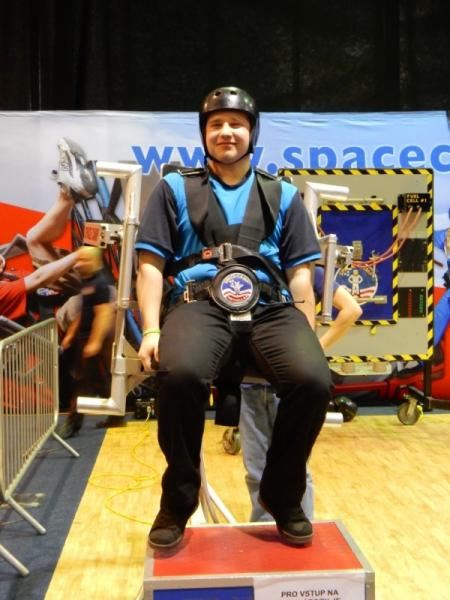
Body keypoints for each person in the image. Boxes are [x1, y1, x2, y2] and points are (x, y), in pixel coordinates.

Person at [135, 85, 332, 550]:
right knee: (179, 375)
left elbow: (300, 276)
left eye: (236, 124)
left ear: (252, 133)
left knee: (313, 380)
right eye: (216, 124)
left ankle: (282, 495)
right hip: (198, 301)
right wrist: (150, 329)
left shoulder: (283, 195)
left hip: (269, 304)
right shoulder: (173, 189)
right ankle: (177, 501)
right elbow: (150, 265)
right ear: (204, 134)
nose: (226, 132)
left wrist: (307, 331)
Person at [239, 265, 362, 522]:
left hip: (284, 384)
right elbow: (351, 309)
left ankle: (291, 526)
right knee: (267, 467)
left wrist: (315, 348)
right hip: (254, 382)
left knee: (285, 467)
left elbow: (352, 309)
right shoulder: (251, 268)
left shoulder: (305, 271)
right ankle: (272, 529)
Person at [56, 246, 116, 438]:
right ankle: (117, 416)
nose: (78, 265)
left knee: (83, 383)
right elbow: (84, 310)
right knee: (99, 381)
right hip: (85, 339)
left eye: (83, 260)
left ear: (94, 261)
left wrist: (95, 342)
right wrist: (71, 334)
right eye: (78, 260)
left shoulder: (101, 283)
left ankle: (73, 423)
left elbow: (104, 313)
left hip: (94, 341)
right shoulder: (88, 280)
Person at [0, 248, 79, 322]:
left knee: (34, 242)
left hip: (57, 291)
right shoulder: (2, 290)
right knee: (81, 301)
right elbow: (39, 278)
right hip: (53, 317)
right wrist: (79, 254)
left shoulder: (6, 275)